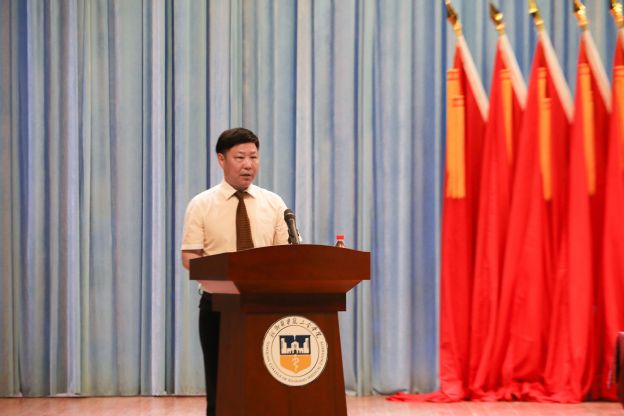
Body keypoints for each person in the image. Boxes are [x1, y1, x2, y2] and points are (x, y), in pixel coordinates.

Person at [180, 127, 289, 416]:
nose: (248, 164)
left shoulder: (274, 203)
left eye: (253, 157)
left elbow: (287, 254)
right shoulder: (201, 204)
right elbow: (189, 256)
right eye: (240, 157)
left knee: (265, 384)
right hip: (219, 305)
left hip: (265, 305)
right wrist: (219, 275)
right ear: (221, 159)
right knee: (221, 386)